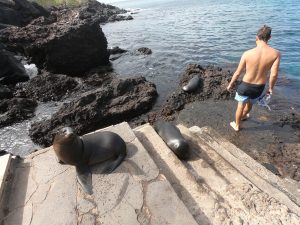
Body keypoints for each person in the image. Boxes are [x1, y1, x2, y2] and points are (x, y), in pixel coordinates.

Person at [227, 25, 281, 131]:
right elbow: (274, 74)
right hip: (259, 87)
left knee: (240, 105)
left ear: (256, 37)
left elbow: (238, 72)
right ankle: (244, 116)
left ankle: (237, 125)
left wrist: (231, 84)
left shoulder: (247, 53)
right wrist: (270, 88)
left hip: (245, 86)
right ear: (270, 38)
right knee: (250, 103)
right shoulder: (276, 54)